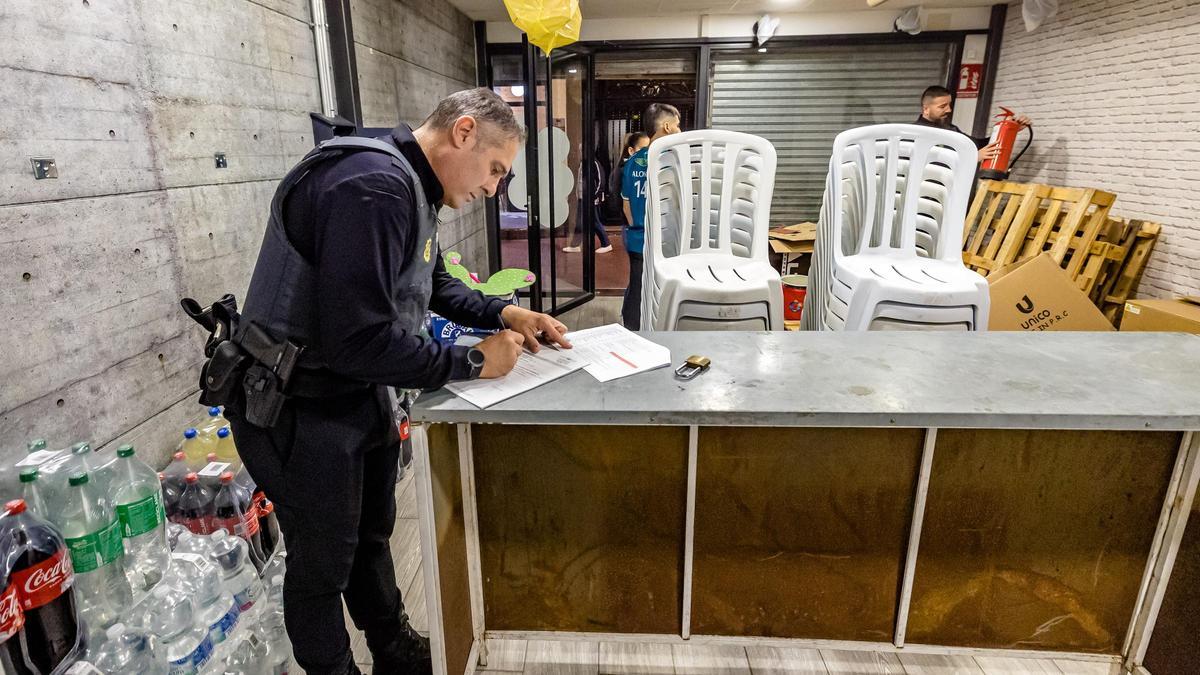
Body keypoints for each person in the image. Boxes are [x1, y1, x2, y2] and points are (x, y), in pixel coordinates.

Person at [224, 88, 571, 675]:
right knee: (321, 566)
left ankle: (394, 649)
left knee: (370, 538)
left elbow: (430, 283)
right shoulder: (372, 185)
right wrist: (472, 362)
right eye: (495, 169)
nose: (493, 188)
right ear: (463, 132)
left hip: (355, 395)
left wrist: (504, 313)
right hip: (296, 407)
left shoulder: (406, 180)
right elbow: (357, 339)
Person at [621, 107, 680, 330]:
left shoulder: (633, 161)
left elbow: (626, 206)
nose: (679, 130)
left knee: (637, 287)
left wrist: (637, 226)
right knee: (662, 290)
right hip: (667, 243)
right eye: (677, 125)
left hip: (637, 240)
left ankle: (631, 332)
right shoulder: (673, 161)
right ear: (667, 127)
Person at [914, 85, 1030, 163]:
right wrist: (972, 157)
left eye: (949, 105)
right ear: (926, 109)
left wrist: (1009, 129)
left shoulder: (951, 129)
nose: (949, 110)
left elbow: (977, 145)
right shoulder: (914, 133)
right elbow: (932, 162)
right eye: (942, 106)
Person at [563, 151, 613, 254]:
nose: (580, 152)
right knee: (580, 222)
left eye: (582, 150)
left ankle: (606, 244)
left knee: (594, 222)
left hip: (591, 199)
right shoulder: (582, 163)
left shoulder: (594, 163)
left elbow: (600, 180)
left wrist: (595, 195)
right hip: (582, 198)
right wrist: (578, 194)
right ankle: (575, 245)